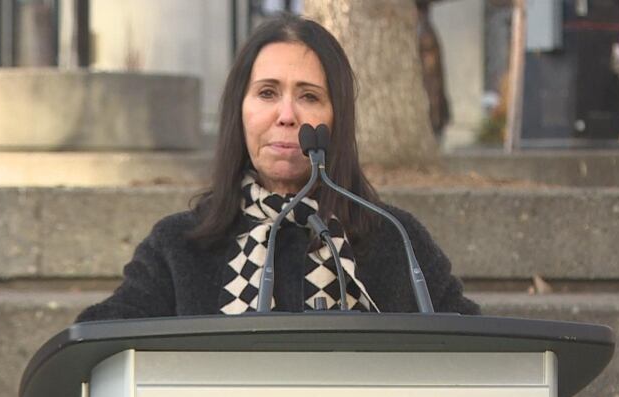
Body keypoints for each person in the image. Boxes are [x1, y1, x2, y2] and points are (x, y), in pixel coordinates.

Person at [76, 14, 479, 322]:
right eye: (267, 93)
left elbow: (480, 352)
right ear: (240, 112)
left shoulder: (395, 239)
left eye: (309, 96)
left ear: (338, 120)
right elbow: (100, 341)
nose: (287, 116)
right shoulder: (178, 245)